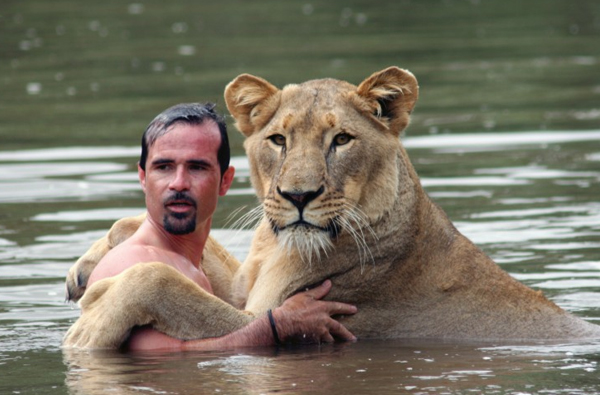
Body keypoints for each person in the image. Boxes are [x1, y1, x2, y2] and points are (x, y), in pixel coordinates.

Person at [85, 103, 357, 351]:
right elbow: (164, 360)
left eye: (197, 168)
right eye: (164, 167)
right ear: (143, 177)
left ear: (225, 181)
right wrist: (278, 326)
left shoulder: (198, 262)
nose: (178, 182)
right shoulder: (129, 264)